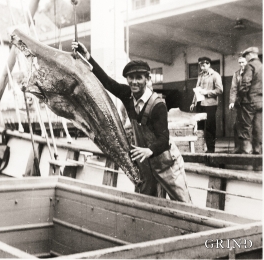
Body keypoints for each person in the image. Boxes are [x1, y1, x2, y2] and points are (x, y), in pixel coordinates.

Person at [72, 41, 191, 203]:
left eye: (139, 78)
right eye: (130, 78)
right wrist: (88, 57)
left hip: (166, 163)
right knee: (145, 203)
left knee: (183, 203)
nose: (134, 82)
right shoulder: (128, 95)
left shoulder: (158, 105)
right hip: (145, 165)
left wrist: (149, 150)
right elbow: (107, 82)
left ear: (148, 79)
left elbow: (164, 140)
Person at [190, 57, 223, 153]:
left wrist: (207, 93)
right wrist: (193, 102)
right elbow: (197, 90)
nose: (202, 67)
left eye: (204, 65)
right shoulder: (200, 76)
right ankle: (200, 148)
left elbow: (220, 90)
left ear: (209, 64)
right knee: (199, 127)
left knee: (210, 127)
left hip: (210, 105)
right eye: (201, 65)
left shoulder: (215, 75)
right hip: (200, 104)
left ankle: (211, 150)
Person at [236, 47, 262, 154]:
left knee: (245, 125)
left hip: (249, 101)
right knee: (258, 126)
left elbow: (245, 84)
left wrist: (239, 97)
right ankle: (258, 150)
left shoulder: (250, 66)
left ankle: (246, 150)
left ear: (250, 55)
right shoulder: (262, 66)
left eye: (245, 56)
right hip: (261, 101)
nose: (245, 58)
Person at [229, 56, 247, 153]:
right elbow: (233, 89)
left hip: (250, 104)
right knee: (237, 126)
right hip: (240, 104)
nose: (241, 65)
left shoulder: (253, 73)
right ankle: (237, 148)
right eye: (239, 63)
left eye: (243, 62)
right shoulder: (236, 74)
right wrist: (232, 102)